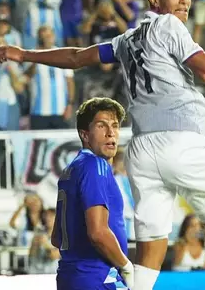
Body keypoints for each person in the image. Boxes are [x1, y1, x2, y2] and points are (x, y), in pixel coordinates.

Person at [0, 0, 205, 290]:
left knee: (151, 250)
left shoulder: (126, 40)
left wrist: (24, 54)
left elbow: (75, 57)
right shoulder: (169, 25)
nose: (184, 1)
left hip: (142, 148)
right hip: (181, 139)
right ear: (154, 0)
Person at [51, 97, 133, 290]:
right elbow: (98, 233)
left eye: (115, 125)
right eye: (101, 126)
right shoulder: (94, 165)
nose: (111, 132)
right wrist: (126, 266)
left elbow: (57, 237)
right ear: (85, 135)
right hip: (98, 277)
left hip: (70, 276)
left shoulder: (70, 170)